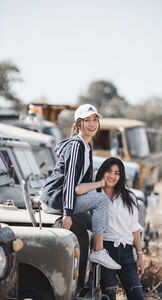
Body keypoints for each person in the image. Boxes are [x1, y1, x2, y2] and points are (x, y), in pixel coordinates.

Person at [40, 104, 121, 270]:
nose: (92, 124)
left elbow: (83, 184)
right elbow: (70, 182)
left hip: (67, 198)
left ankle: (91, 264)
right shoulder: (75, 146)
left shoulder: (87, 146)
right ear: (78, 123)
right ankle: (98, 252)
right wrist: (68, 213)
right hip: (57, 199)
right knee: (101, 201)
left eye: (95, 120)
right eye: (87, 120)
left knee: (97, 225)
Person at [75, 157, 145, 300]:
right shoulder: (94, 196)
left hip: (126, 253)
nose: (112, 176)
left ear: (121, 176)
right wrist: (99, 183)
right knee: (109, 296)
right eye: (108, 171)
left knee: (137, 296)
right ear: (102, 172)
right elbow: (77, 191)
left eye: (117, 173)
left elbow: (134, 228)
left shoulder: (129, 197)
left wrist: (140, 255)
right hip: (105, 251)